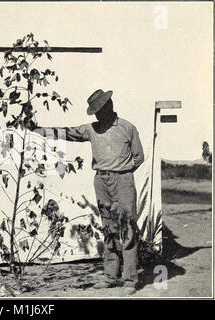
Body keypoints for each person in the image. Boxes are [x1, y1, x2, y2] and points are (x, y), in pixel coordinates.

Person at [28, 89, 144, 294]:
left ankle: (130, 279)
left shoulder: (128, 128)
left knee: (127, 227)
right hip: (101, 180)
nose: (98, 115)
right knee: (109, 228)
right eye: (95, 112)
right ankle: (110, 275)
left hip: (123, 181)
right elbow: (67, 132)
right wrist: (37, 130)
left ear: (110, 106)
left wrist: (122, 173)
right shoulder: (91, 129)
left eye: (100, 110)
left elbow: (138, 158)